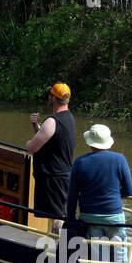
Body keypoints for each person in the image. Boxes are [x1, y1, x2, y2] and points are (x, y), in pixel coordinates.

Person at [65, 124, 132, 263]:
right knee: (119, 255)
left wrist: (70, 218)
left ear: (90, 142)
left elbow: (72, 195)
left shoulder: (80, 162)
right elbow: (129, 190)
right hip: (114, 217)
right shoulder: (119, 159)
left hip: (90, 217)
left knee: (101, 257)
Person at [25, 82, 75, 226]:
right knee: (58, 216)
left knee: (57, 220)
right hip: (62, 176)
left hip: (52, 179)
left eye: (50, 95)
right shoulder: (69, 118)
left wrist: (28, 143)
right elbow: (50, 140)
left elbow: (32, 148)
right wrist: (36, 126)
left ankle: (60, 247)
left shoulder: (52, 121)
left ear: (53, 99)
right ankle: (60, 245)